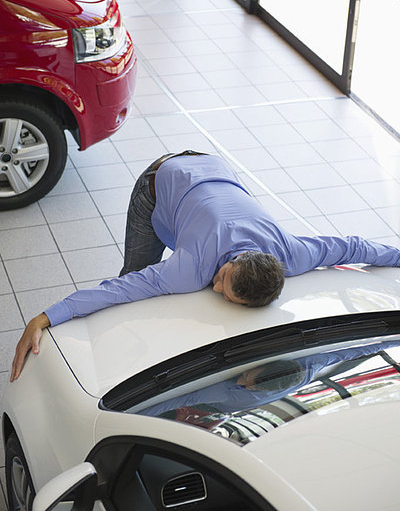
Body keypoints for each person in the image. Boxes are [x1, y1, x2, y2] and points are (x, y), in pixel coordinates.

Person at [10, 151, 400, 381]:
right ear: (235, 262)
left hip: (212, 168)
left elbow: (353, 247)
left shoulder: (291, 253)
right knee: (136, 271)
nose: (213, 287)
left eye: (223, 293)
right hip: (161, 179)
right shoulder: (189, 268)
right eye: (222, 281)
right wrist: (45, 318)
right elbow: (118, 289)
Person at [138, 340, 400, 417]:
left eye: (246, 380)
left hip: (219, 406)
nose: (241, 379)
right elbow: (355, 350)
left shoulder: (227, 392)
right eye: (248, 375)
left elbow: (173, 400)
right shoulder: (310, 364)